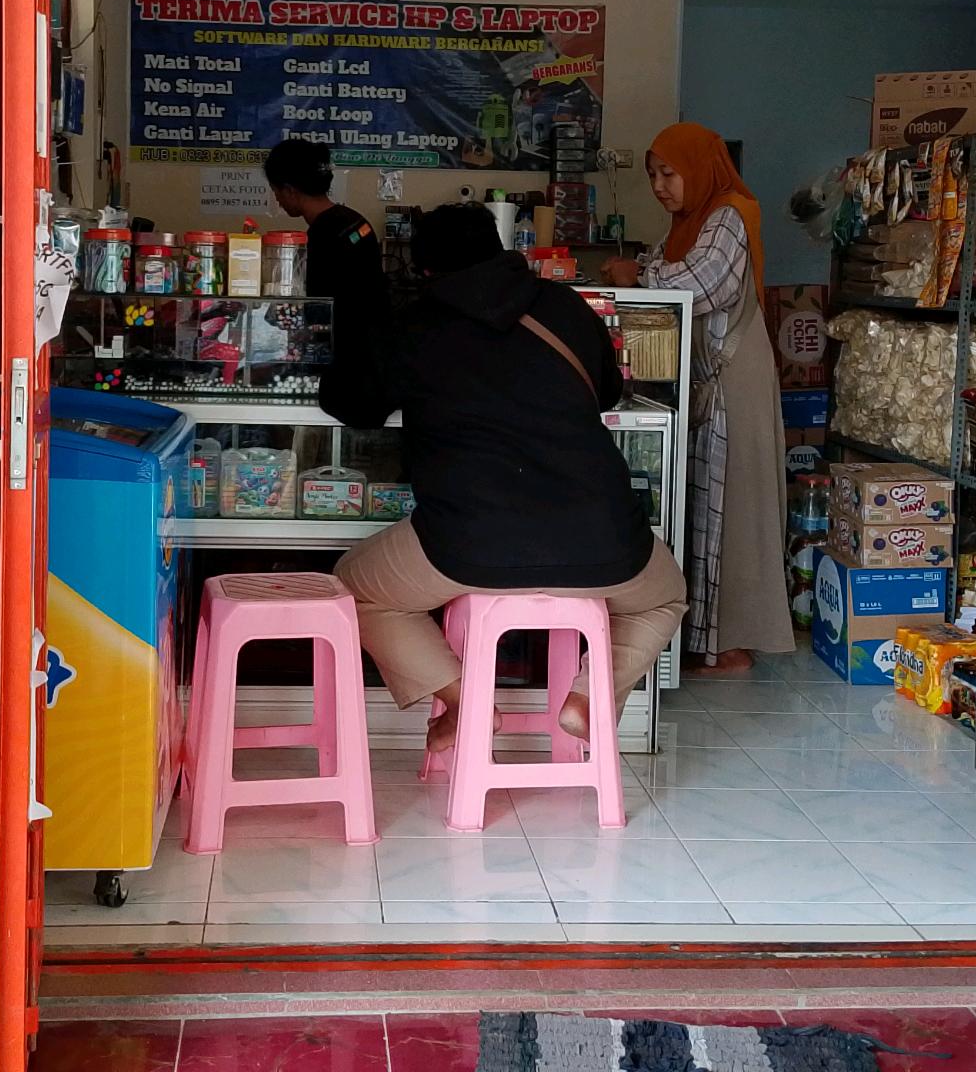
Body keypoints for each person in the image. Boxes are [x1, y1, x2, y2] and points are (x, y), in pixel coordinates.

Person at [322, 203, 686, 752]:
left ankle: (463, 700)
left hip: (468, 544)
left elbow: (355, 404)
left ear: (425, 268)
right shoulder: (563, 305)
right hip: (601, 535)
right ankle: (590, 697)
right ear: (501, 250)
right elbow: (608, 390)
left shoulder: (413, 323)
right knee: (665, 596)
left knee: (354, 587)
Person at [605, 124, 791, 673]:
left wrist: (638, 273)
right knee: (703, 504)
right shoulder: (688, 223)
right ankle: (701, 639)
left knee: (733, 507)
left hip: (734, 380)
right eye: (653, 176)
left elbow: (700, 286)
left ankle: (732, 643)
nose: (659, 186)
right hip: (708, 380)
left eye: (669, 173)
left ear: (700, 167)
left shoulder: (731, 214)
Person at [262, 137, 387, 309]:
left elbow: (318, 303)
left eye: (275, 191)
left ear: (290, 191)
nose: (277, 200)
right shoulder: (354, 220)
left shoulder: (324, 235)